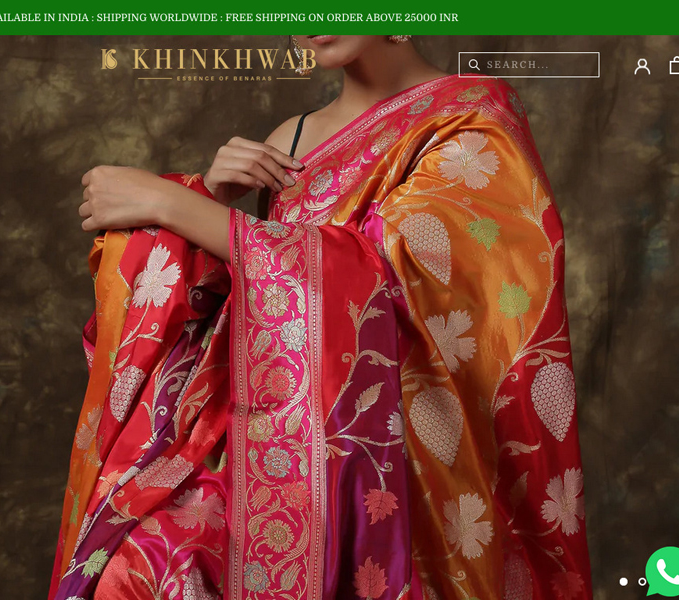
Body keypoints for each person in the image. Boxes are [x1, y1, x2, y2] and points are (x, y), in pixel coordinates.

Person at [51, 35, 593, 600]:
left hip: (394, 456)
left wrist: (172, 204)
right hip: (269, 437)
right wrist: (208, 194)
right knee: (135, 568)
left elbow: (391, 277)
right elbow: (247, 304)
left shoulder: (471, 120)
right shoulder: (292, 138)